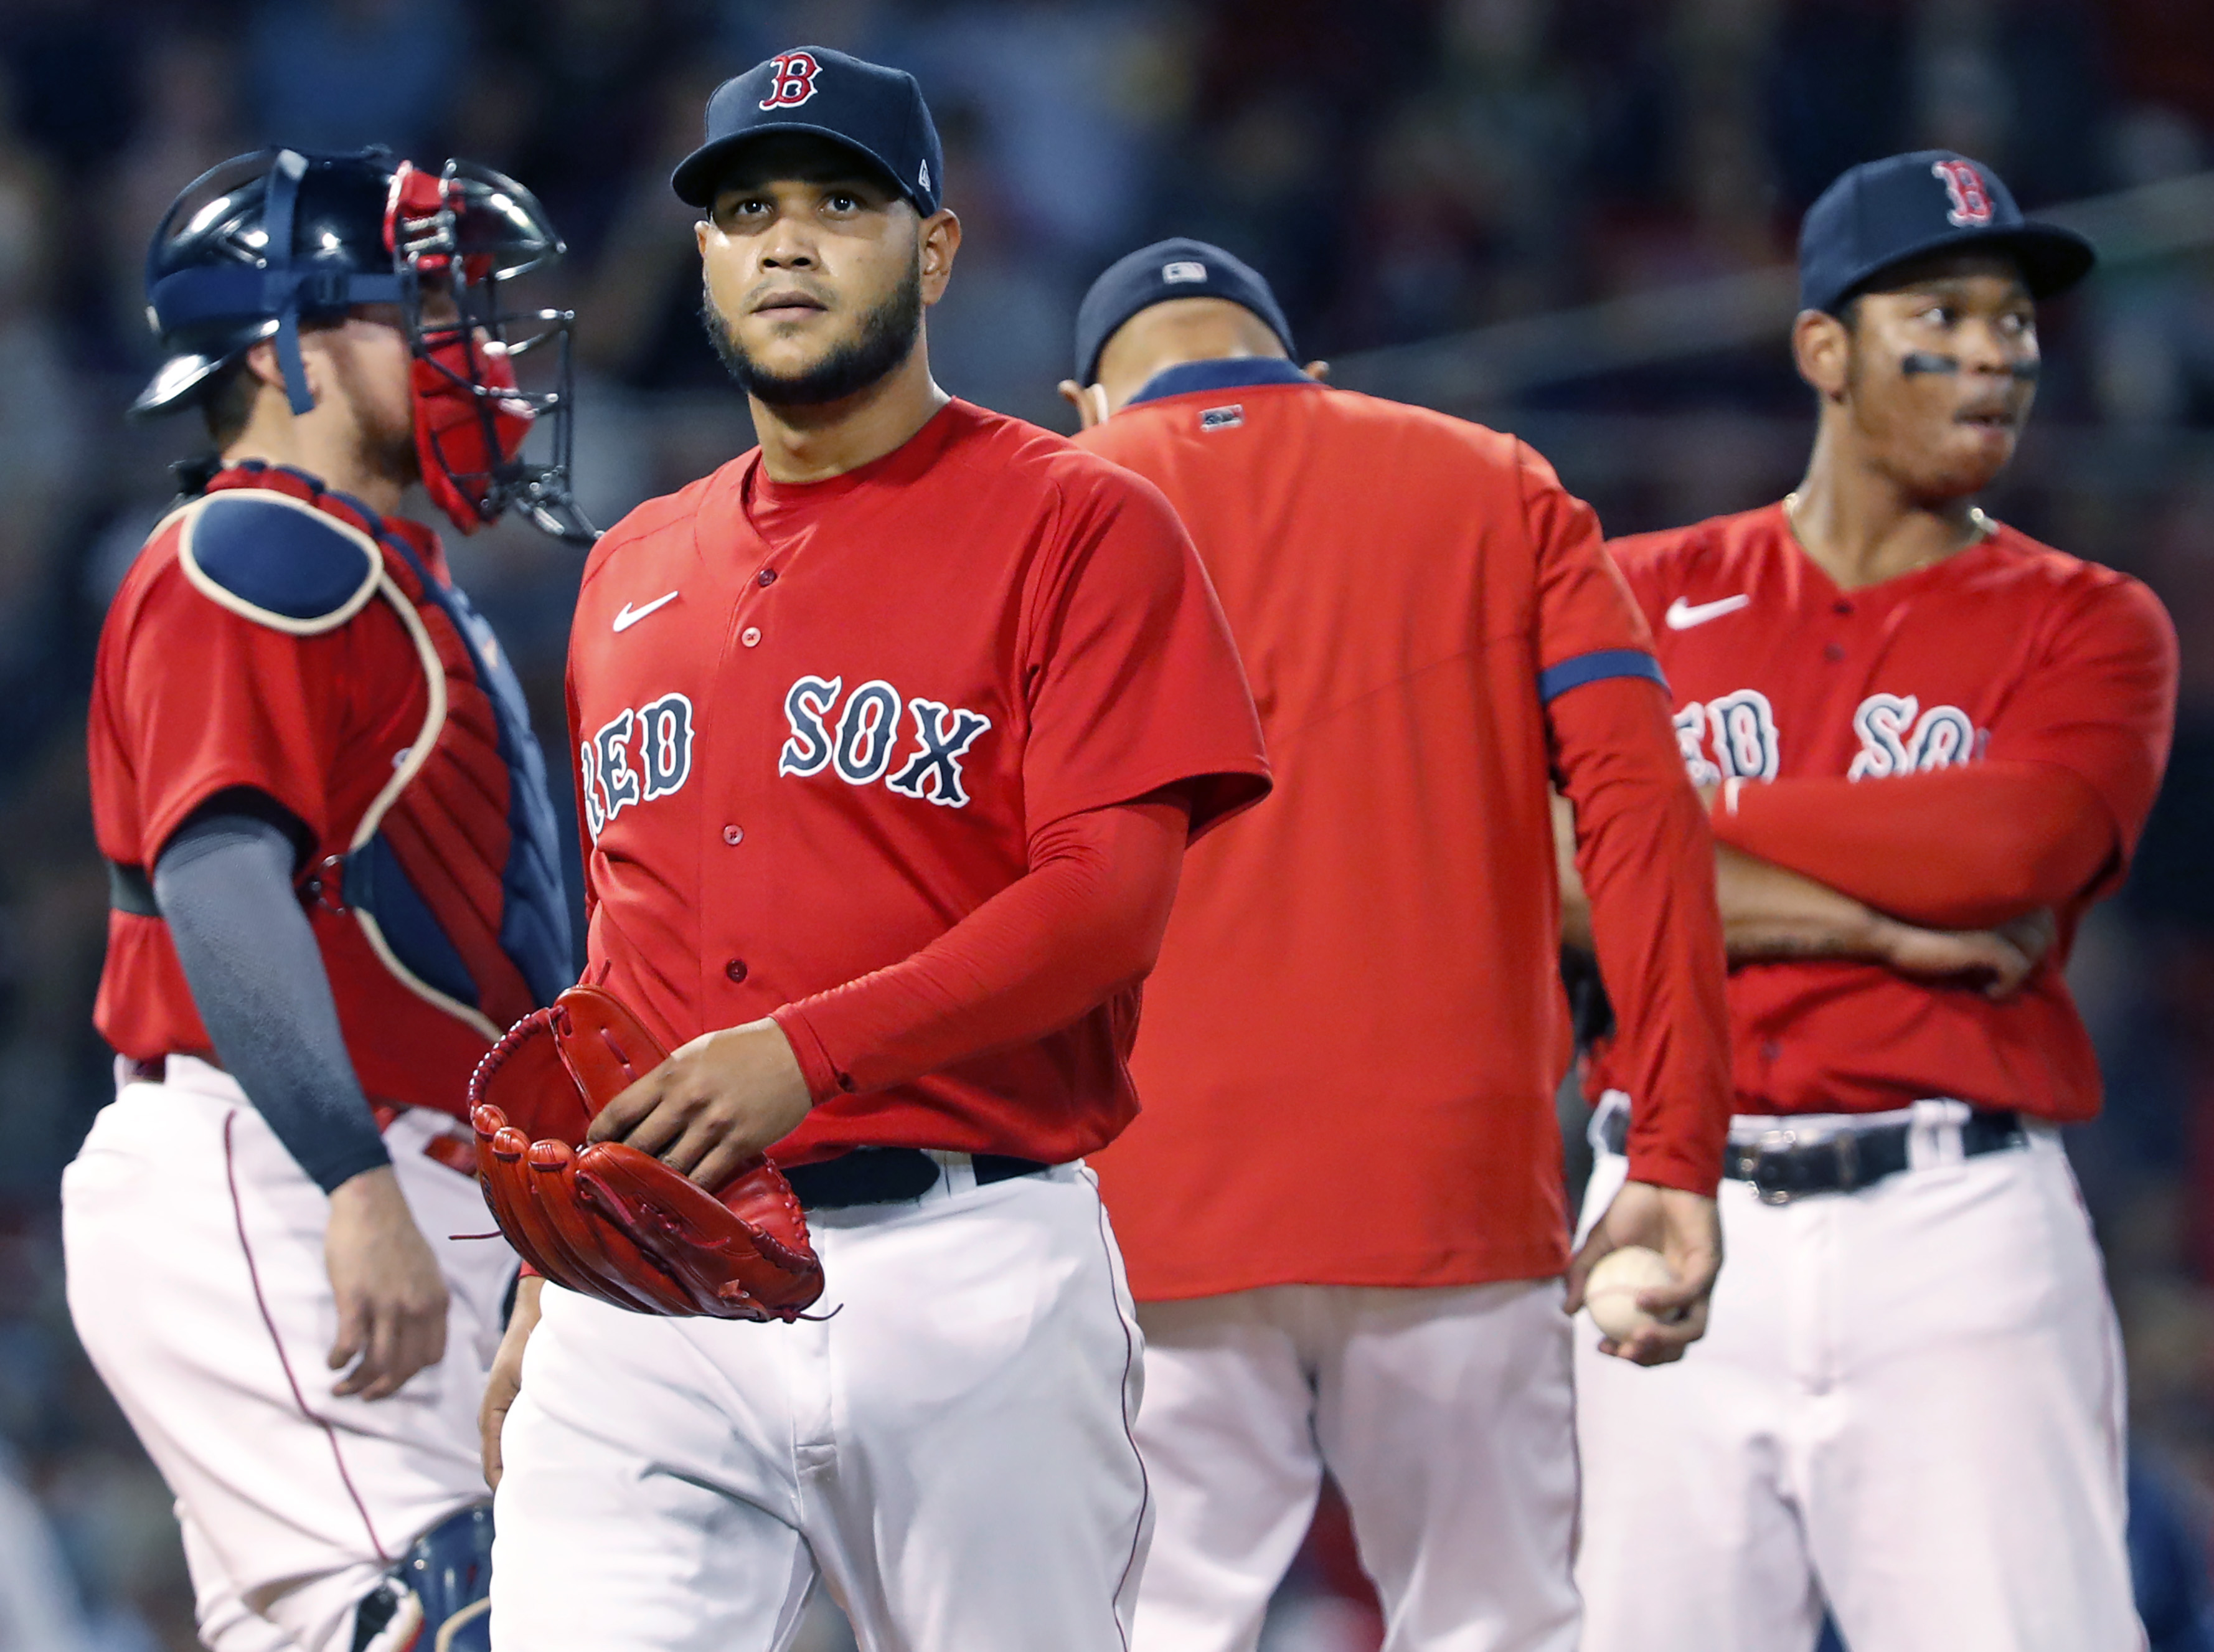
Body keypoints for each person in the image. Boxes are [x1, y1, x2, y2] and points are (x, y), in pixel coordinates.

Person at [478, 49, 1270, 1651]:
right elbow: (623, 951)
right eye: (746, 210)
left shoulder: (1080, 522)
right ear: (700, 255)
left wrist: (805, 1053)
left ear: (935, 249)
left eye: (841, 202)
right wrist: (537, 1280)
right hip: (649, 1280)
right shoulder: (630, 564)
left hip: (967, 1261)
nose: (786, 242)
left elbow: (1106, 904)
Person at [1055, 238, 1733, 1651]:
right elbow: (1640, 815)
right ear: (1309, 374)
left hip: (1142, 1200)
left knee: (1149, 1629)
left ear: (1082, 399)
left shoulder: (1038, 508)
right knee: (1499, 1624)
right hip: (1449, 1185)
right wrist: (1669, 1145)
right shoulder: (1494, 480)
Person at [1562, 151, 2177, 1652]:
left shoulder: (2091, 621)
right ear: (1822, 350)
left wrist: (1679, 834)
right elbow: (1542, 882)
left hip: (1953, 1227)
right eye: (1944, 313)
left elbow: (2010, 850)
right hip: (1663, 1207)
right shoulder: (1632, 589)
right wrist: (1876, 920)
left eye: (2013, 322)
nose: (1994, 355)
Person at [68, 146, 591, 1652]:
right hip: (286, 1158)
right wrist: (351, 1180)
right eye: (422, 308)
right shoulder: (256, 545)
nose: (474, 352)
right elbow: (219, 875)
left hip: (389, 1174)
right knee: (463, 1610)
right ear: (275, 346)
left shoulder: (372, 565)